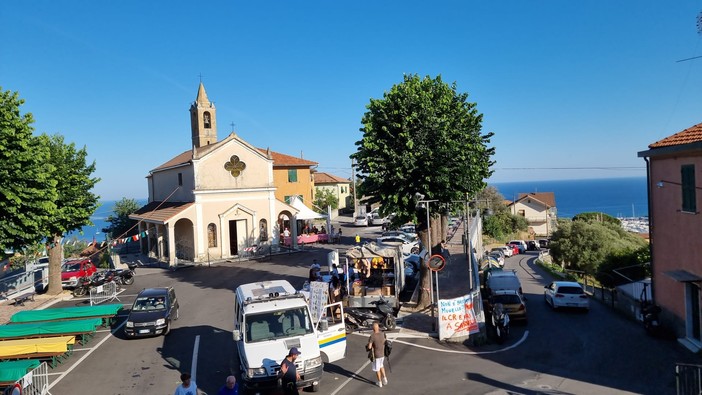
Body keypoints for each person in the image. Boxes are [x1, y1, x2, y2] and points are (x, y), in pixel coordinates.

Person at [367, 323, 388, 388]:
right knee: (381, 366)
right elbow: (385, 341)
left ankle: (380, 382)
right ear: (378, 327)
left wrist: (370, 344)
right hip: (382, 354)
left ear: (373, 329)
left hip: (376, 355)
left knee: (377, 369)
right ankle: (385, 379)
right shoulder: (382, 334)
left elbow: (369, 347)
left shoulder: (372, 336)